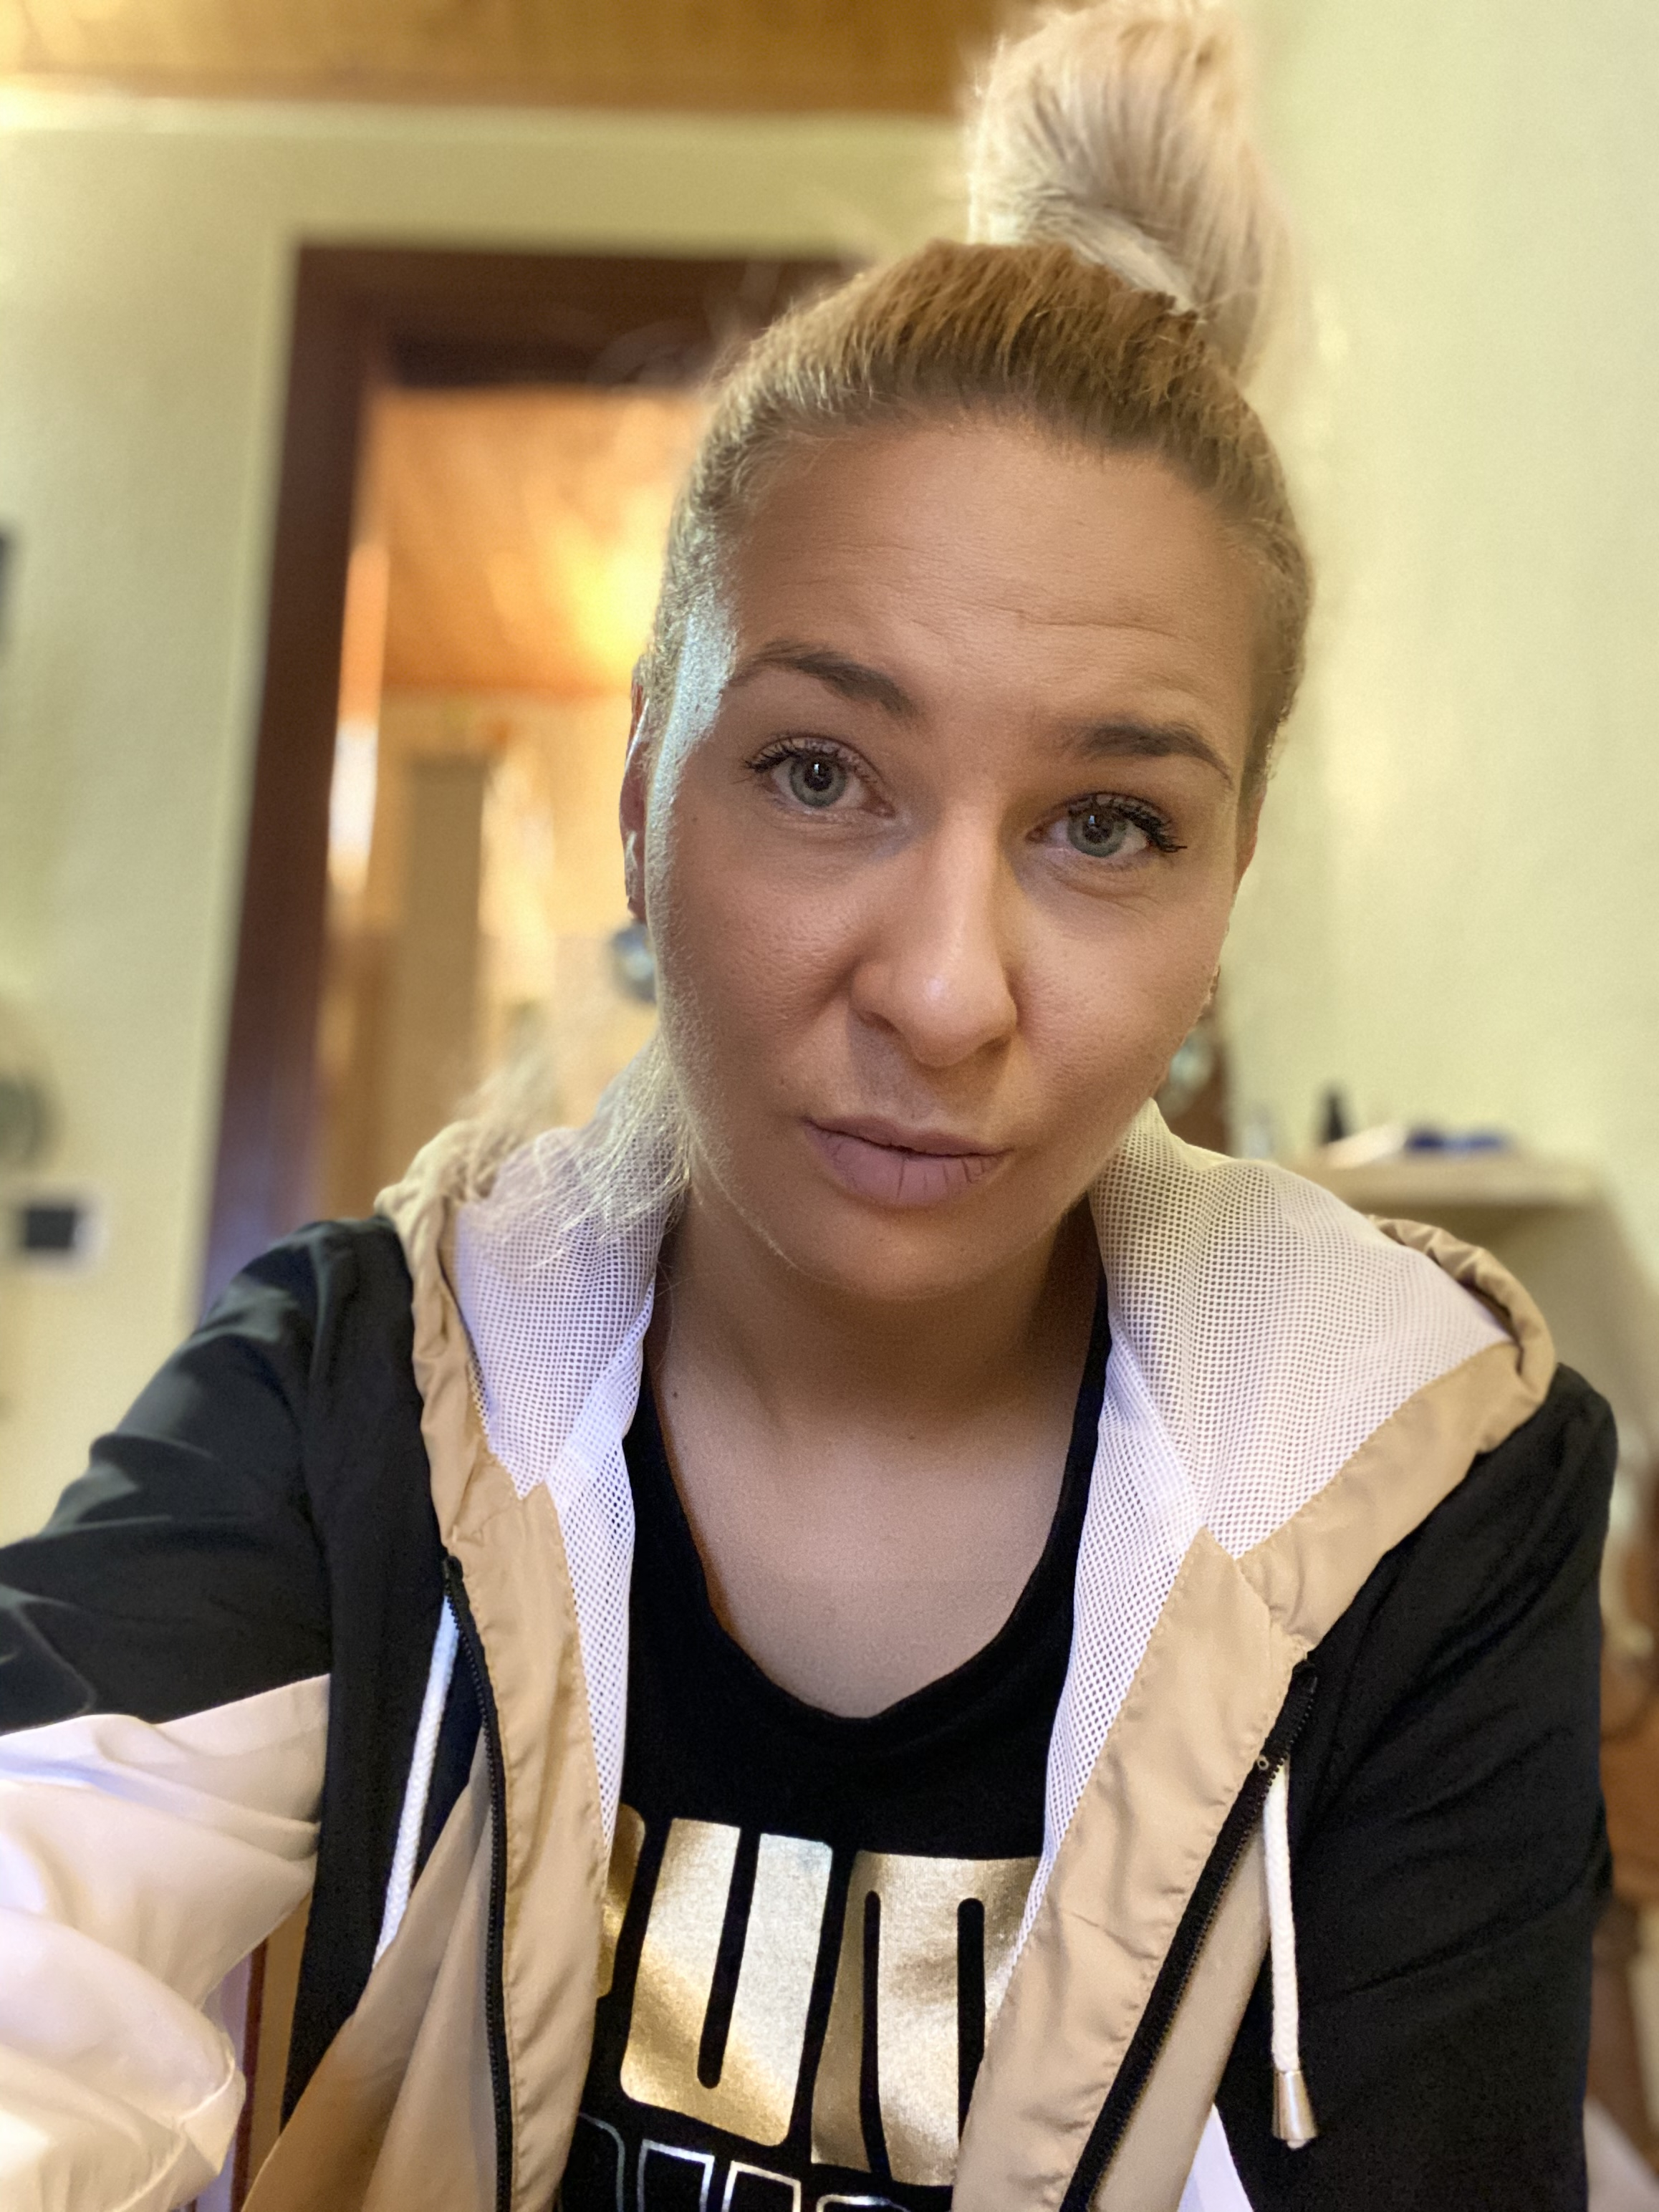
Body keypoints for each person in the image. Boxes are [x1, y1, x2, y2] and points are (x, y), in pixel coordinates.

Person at [0, 5, 1612, 2208]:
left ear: (1227, 885)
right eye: (821, 772)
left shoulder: (1430, 1481)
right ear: (641, 799)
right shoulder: (364, 1378)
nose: (943, 993)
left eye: (1108, 825)